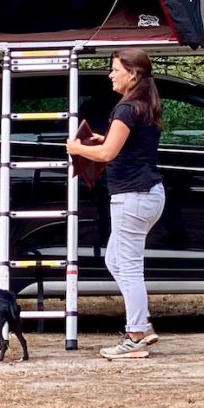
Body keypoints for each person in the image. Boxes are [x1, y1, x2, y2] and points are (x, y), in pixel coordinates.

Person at [66, 48, 165, 359]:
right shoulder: (144, 105)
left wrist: (77, 148)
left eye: (115, 69)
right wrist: (100, 139)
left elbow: (108, 154)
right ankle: (142, 323)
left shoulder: (126, 109)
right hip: (147, 194)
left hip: (132, 197)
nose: (111, 74)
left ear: (132, 74)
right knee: (115, 260)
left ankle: (135, 336)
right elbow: (118, 145)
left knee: (130, 266)